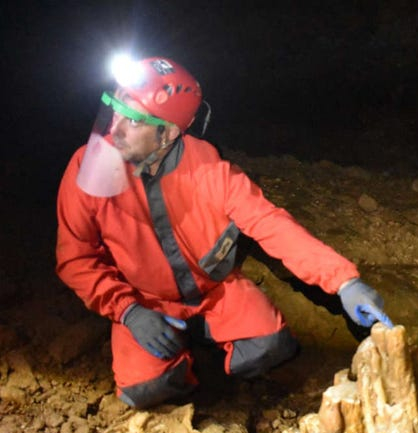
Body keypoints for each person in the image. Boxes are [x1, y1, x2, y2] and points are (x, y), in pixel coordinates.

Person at [56, 55, 391, 409]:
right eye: (114, 108)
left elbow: (270, 223)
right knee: (145, 391)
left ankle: (206, 350)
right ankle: (182, 370)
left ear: (167, 132)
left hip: (213, 291)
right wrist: (129, 311)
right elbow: (74, 257)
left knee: (273, 346)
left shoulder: (209, 168)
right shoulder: (88, 167)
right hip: (146, 301)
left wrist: (344, 282)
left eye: (134, 120)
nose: (115, 129)